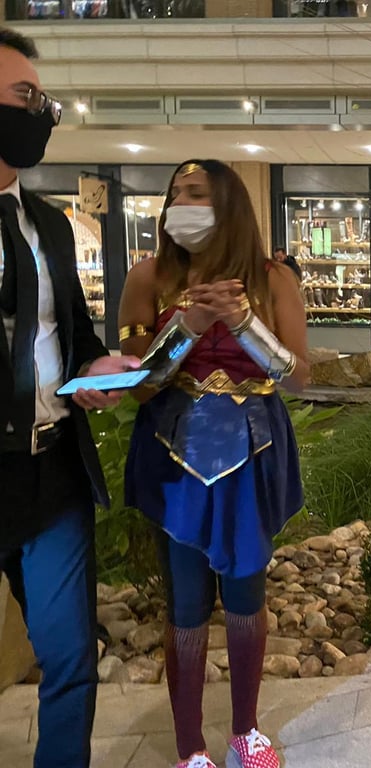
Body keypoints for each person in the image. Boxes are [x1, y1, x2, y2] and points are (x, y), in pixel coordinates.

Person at [118, 159, 310, 768]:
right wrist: (187, 326)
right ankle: (188, 747)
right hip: (176, 457)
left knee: (248, 592)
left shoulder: (273, 278)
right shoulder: (147, 276)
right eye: (176, 193)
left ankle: (246, 732)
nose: (181, 201)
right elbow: (138, 384)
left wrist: (241, 320)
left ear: (227, 202)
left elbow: (297, 376)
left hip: (253, 454)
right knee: (186, 604)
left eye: (195, 192)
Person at [0, 26, 143, 768]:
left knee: (70, 659)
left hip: (53, 472)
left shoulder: (51, 227)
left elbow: (77, 336)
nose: (41, 112)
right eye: (26, 98)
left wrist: (101, 366)